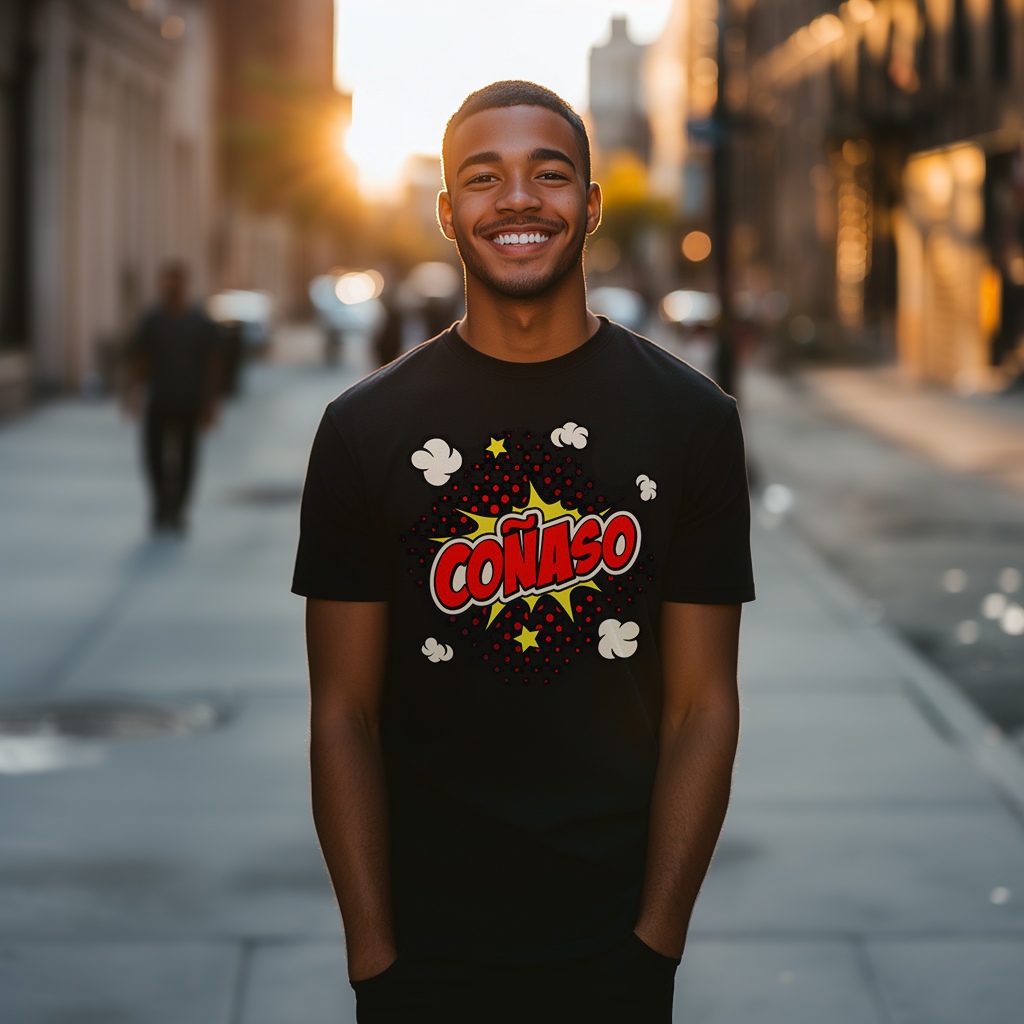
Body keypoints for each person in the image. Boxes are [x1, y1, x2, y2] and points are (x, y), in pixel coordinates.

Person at [292, 81, 754, 1023]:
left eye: (549, 174)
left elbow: (703, 705)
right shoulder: (362, 430)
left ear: (589, 205)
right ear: (447, 210)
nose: (516, 199)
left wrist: (655, 944)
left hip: (616, 947)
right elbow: (343, 714)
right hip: (423, 953)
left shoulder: (691, 421)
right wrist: (373, 959)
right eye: (483, 177)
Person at [125, 262, 221, 533]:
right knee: (154, 456)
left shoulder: (199, 322)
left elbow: (212, 364)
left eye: (175, 281)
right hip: (160, 400)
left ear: (184, 284)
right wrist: (131, 393)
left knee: (186, 458)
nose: (170, 286)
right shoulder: (153, 320)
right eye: (166, 281)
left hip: (189, 401)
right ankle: (159, 506)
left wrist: (211, 405)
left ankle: (178, 510)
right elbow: (141, 359)